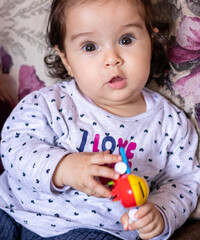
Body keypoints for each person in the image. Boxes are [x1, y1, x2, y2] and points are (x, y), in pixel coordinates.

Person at [0, 0, 199, 239]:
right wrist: (63, 167)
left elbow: (184, 182)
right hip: (12, 210)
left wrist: (160, 212)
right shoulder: (50, 103)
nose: (112, 58)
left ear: (152, 43)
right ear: (66, 60)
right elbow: (14, 145)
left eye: (126, 40)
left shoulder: (170, 123)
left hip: (94, 229)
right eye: (90, 46)